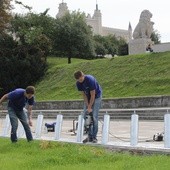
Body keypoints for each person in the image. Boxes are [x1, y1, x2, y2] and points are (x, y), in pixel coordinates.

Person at [74, 71, 102, 143]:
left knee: (94, 117)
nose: (80, 81)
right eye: (78, 80)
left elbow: (93, 95)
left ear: (83, 75)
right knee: (85, 116)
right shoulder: (78, 83)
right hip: (88, 97)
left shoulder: (90, 79)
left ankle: (94, 137)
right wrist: (87, 106)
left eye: (81, 79)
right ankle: (89, 136)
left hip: (96, 97)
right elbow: (84, 95)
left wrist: (90, 107)